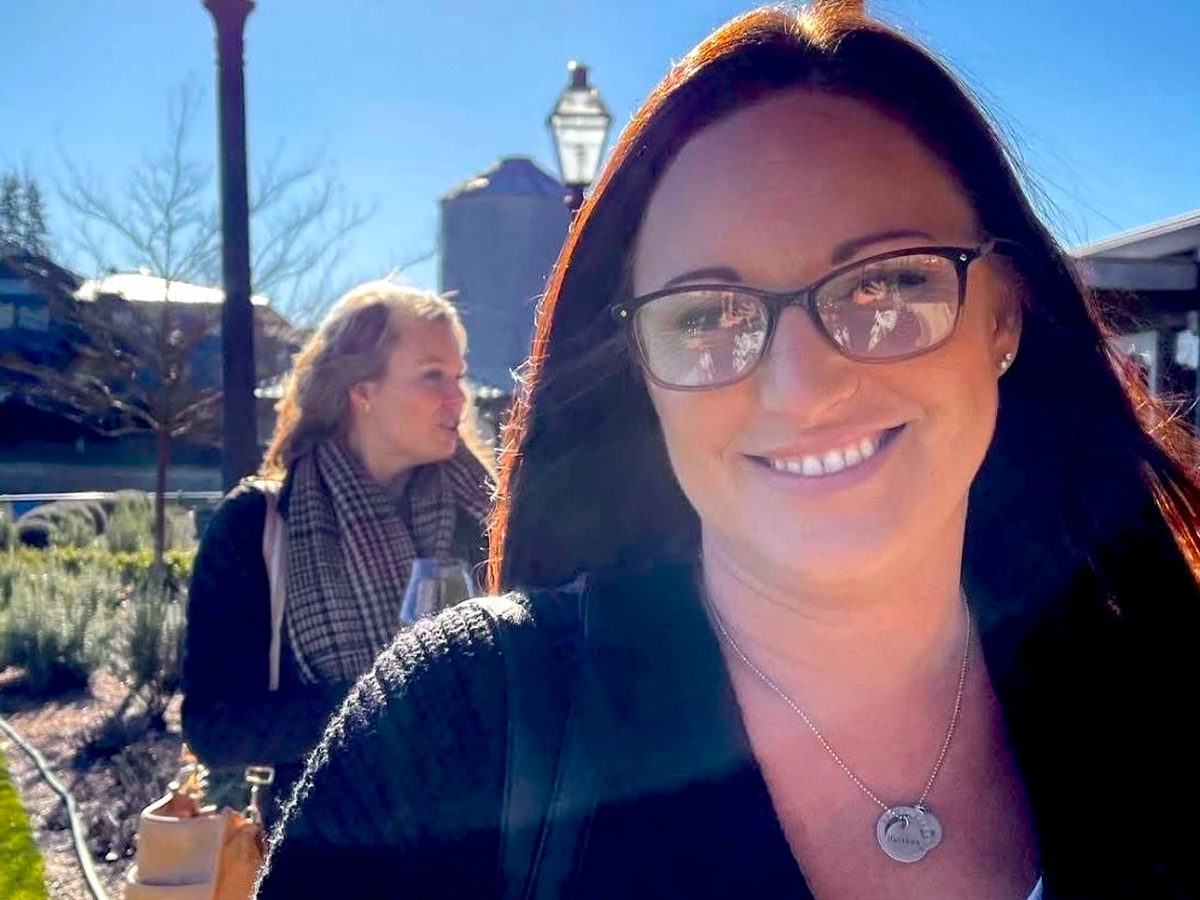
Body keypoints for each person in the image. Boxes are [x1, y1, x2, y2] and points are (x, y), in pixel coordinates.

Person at [256, 5, 1200, 898]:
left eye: (884, 287)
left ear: (1004, 315)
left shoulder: (1157, 694)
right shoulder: (458, 727)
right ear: (643, 371)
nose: (803, 386)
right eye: (707, 315)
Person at [182, 281, 494, 827]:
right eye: (432, 376)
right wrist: (384, 701)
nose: (459, 397)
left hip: (475, 837)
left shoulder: (485, 513)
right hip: (328, 845)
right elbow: (215, 726)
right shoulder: (258, 525)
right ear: (362, 390)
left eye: (458, 375)